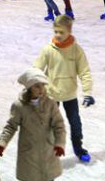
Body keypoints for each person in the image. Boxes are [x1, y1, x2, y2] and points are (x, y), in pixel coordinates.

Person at [0, 68, 67, 181]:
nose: (41, 89)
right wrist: (2, 142)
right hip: (30, 152)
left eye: (43, 86)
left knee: (49, 180)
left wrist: (60, 143)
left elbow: (59, 125)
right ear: (29, 88)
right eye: (37, 86)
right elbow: (11, 126)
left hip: (49, 149)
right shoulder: (19, 106)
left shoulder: (50, 103)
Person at [33, 15, 95, 163]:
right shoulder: (48, 50)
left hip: (69, 95)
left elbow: (84, 72)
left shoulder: (76, 50)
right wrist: (34, 92)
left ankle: (79, 149)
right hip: (51, 95)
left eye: (61, 32)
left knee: (75, 124)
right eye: (56, 31)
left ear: (69, 31)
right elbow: (36, 70)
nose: (58, 35)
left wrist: (87, 93)